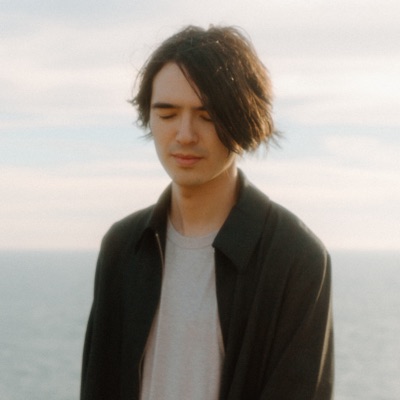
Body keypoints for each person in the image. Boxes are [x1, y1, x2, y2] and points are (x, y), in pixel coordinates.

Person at [80, 25, 334, 400]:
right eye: (167, 114)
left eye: (207, 115)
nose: (185, 134)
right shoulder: (124, 245)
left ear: (243, 117)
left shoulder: (295, 257)